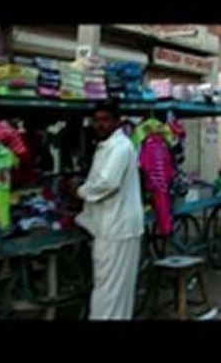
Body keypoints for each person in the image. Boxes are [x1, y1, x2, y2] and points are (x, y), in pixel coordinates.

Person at [75, 99, 144, 320]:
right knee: (112, 291)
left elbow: (107, 183)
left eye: (105, 120)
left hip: (117, 228)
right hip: (114, 227)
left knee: (111, 292)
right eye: (96, 120)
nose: (99, 125)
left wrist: (79, 192)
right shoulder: (108, 146)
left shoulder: (120, 147)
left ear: (117, 122)